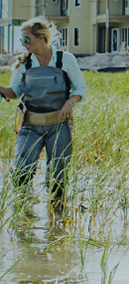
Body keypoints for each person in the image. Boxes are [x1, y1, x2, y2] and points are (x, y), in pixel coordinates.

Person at [0, 18, 86, 208]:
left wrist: (70, 102)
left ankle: (56, 217)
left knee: (58, 176)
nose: (23, 44)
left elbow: (80, 89)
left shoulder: (65, 60)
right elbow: (14, 93)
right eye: (22, 40)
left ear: (41, 38)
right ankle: (24, 214)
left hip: (59, 126)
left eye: (26, 40)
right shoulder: (23, 64)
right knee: (21, 172)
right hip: (30, 125)